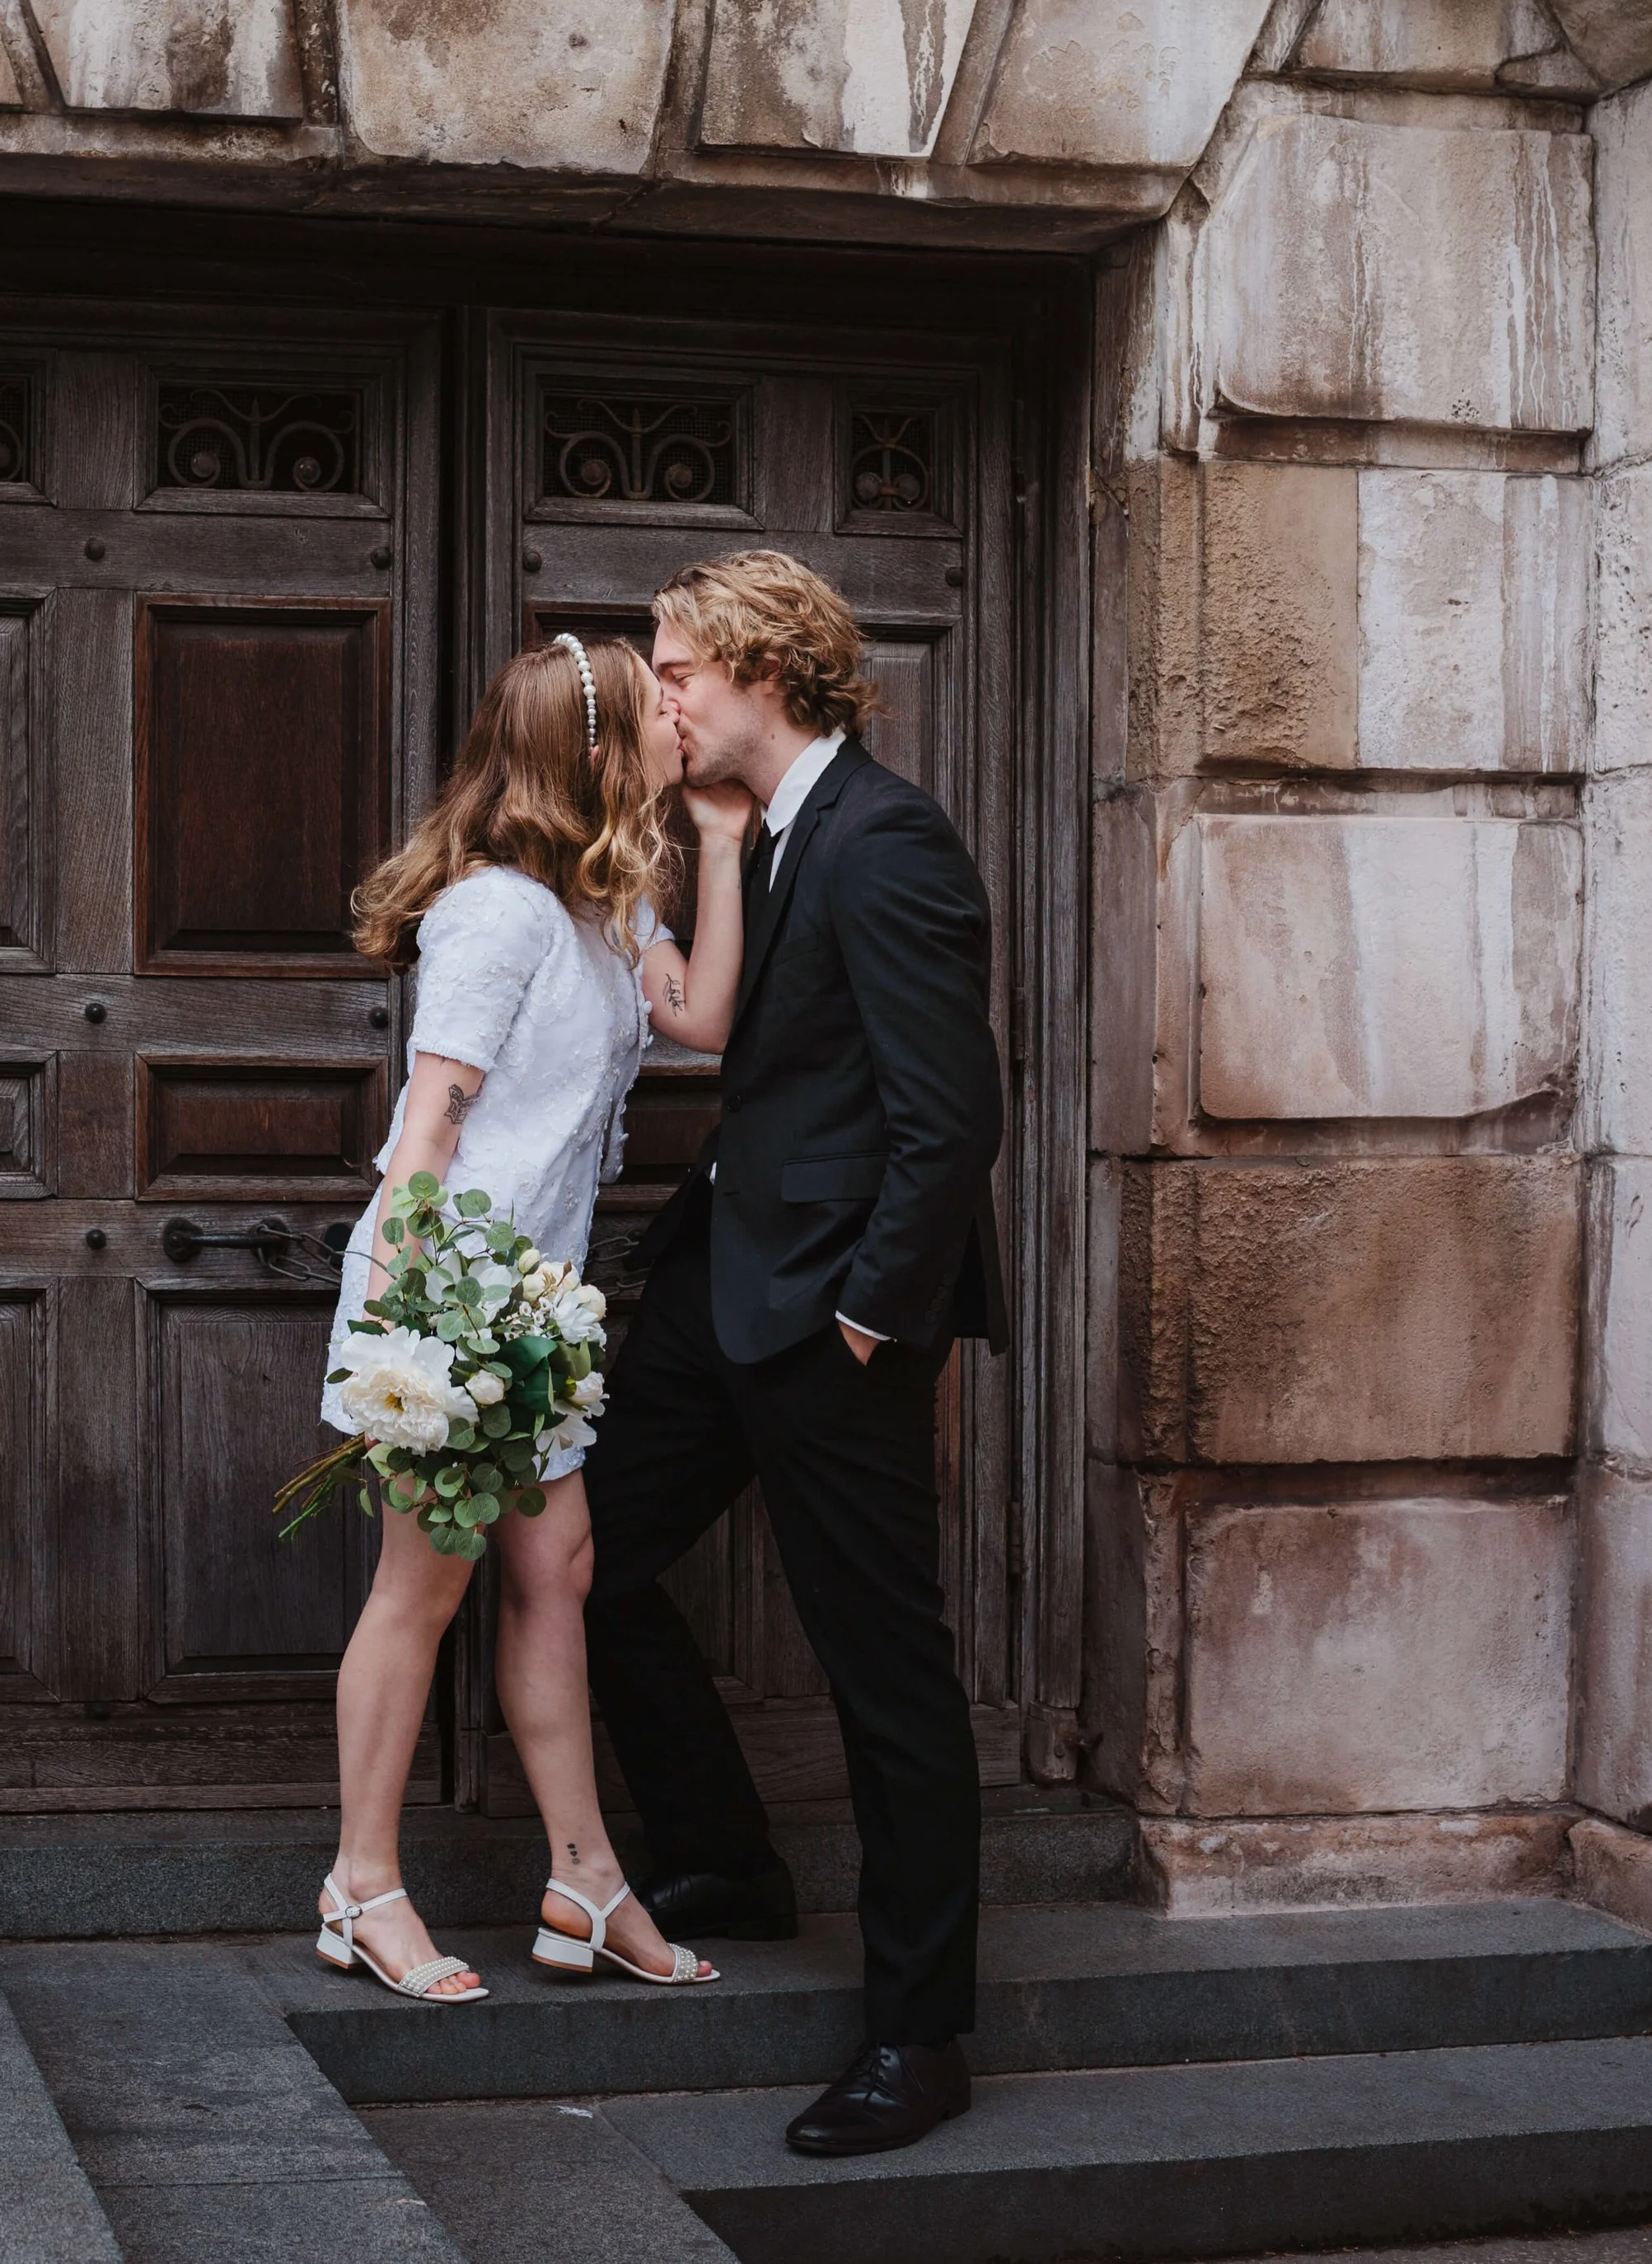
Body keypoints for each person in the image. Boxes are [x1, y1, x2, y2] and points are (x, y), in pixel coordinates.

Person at [582, 551, 1006, 2154]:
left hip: (829, 1325)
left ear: (766, 668)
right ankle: (728, 1857)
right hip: (715, 1293)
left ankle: (918, 2038)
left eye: (677, 666)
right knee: (577, 1561)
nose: (657, 693)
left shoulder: (885, 842)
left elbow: (945, 1118)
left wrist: (864, 1319)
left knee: (884, 1678)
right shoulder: (757, 836)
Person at [315, 632, 753, 2002]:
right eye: (650, 711)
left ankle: (584, 1875)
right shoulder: (498, 913)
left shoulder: (606, 912)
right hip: (448, 1306)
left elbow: (710, 1018)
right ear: (598, 750)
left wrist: (723, 837)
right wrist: (406, 1340)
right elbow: (428, 1131)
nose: (676, 722)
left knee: (556, 1572)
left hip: (536, 1319)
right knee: (422, 1587)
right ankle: (360, 1886)